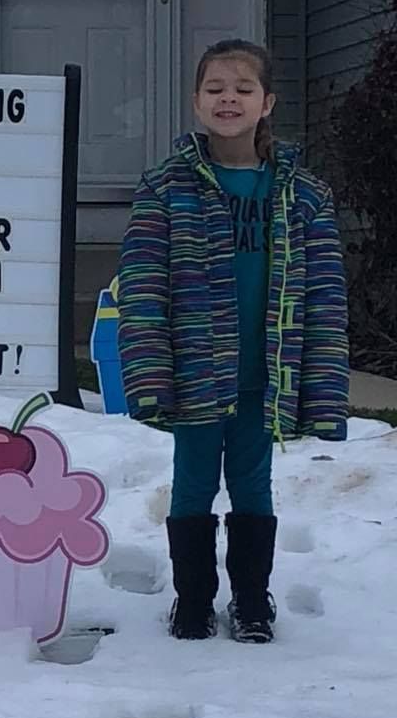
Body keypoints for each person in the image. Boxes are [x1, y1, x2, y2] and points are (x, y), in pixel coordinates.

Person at [116, 39, 349, 644]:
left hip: (265, 373)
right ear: (196, 102)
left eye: (243, 89)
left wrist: (323, 381)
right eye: (215, 89)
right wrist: (149, 370)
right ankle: (193, 599)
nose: (229, 99)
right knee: (193, 481)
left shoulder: (304, 196)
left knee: (252, 483)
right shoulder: (166, 189)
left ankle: (250, 599)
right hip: (196, 370)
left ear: (266, 102)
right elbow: (142, 285)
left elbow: (325, 295)